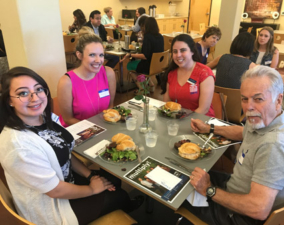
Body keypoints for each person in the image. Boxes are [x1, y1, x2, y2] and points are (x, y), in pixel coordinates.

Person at [0, 67, 143, 225]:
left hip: (68, 181)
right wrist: (91, 189)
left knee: (113, 180)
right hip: (54, 205)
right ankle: (124, 206)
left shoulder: (44, 117)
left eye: (39, 89)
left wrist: (89, 175)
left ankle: (122, 204)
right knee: (117, 195)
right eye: (23, 93)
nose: (35, 98)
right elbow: (55, 190)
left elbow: (65, 152)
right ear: (9, 100)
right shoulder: (18, 145)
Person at [181, 66, 284, 225]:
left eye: (258, 99)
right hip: (236, 186)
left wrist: (209, 189)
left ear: (278, 100)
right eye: (244, 98)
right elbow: (243, 132)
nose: (248, 107)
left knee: (177, 190)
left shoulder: (276, 147)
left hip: (242, 216)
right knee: (186, 174)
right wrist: (209, 128)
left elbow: (258, 209)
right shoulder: (265, 119)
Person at [57, 27, 116, 127]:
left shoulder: (108, 73)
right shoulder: (66, 82)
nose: (98, 60)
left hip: (103, 127)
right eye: (92, 55)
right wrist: (95, 128)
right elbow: (68, 119)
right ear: (79, 55)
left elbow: (110, 106)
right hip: (78, 131)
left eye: (101, 55)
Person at [161, 34, 215, 117]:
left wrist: (182, 120)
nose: (178, 55)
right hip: (178, 119)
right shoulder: (171, 73)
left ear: (192, 51)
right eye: (175, 51)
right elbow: (167, 104)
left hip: (201, 121)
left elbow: (204, 109)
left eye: (183, 50)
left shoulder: (204, 73)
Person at [120, 17, 163, 94]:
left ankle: (141, 89)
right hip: (158, 65)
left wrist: (130, 54)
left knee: (130, 65)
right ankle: (151, 85)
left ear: (146, 26)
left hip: (148, 66)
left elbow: (144, 56)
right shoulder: (160, 36)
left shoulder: (148, 37)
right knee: (140, 65)